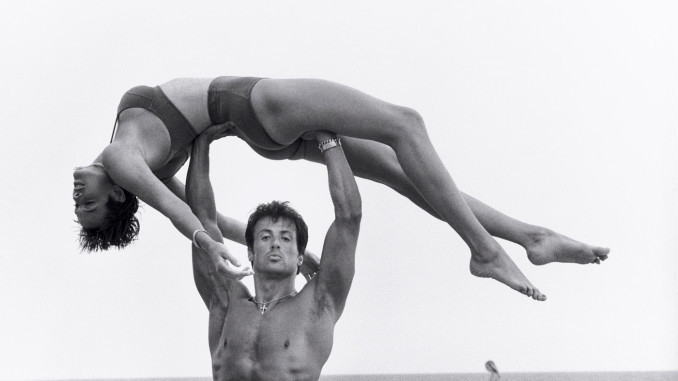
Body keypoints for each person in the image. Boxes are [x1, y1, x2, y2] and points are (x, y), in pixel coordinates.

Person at [73, 76, 610, 300]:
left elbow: (215, 216)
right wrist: (211, 246)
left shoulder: (140, 159)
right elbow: (178, 214)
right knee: (406, 124)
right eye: (90, 203)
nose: (78, 194)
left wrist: (296, 252)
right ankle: (485, 250)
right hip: (259, 106)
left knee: (407, 175)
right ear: (119, 194)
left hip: (269, 132)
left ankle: (530, 236)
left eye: (80, 204)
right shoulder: (123, 159)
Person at [186, 125, 361, 380]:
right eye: (265, 237)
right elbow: (201, 218)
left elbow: (349, 217)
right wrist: (202, 140)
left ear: (301, 256)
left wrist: (326, 137)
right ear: (250, 253)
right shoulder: (226, 302)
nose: (275, 244)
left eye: (286, 238)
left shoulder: (318, 302)